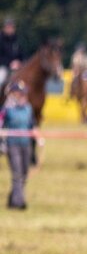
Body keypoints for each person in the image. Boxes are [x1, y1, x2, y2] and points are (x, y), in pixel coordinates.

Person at [1, 80, 38, 209]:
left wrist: (38, 137)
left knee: (24, 173)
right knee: (17, 173)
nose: (21, 96)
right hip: (13, 144)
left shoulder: (28, 108)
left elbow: (32, 125)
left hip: (26, 143)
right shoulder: (7, 109)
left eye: (23, 93)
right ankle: (19, 202)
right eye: (19, 93)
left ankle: (13, 197)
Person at [0, 17, 24, 94]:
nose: (10, 29)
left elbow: (22, 54)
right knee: (1, 79)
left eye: (11, 27)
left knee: (24, 84)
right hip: (3, 67)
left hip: (17, 68)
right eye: (8, 27)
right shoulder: (1, 39)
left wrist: (19, 62)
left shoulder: (17, 39)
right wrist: (10, 64)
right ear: (4, 28)